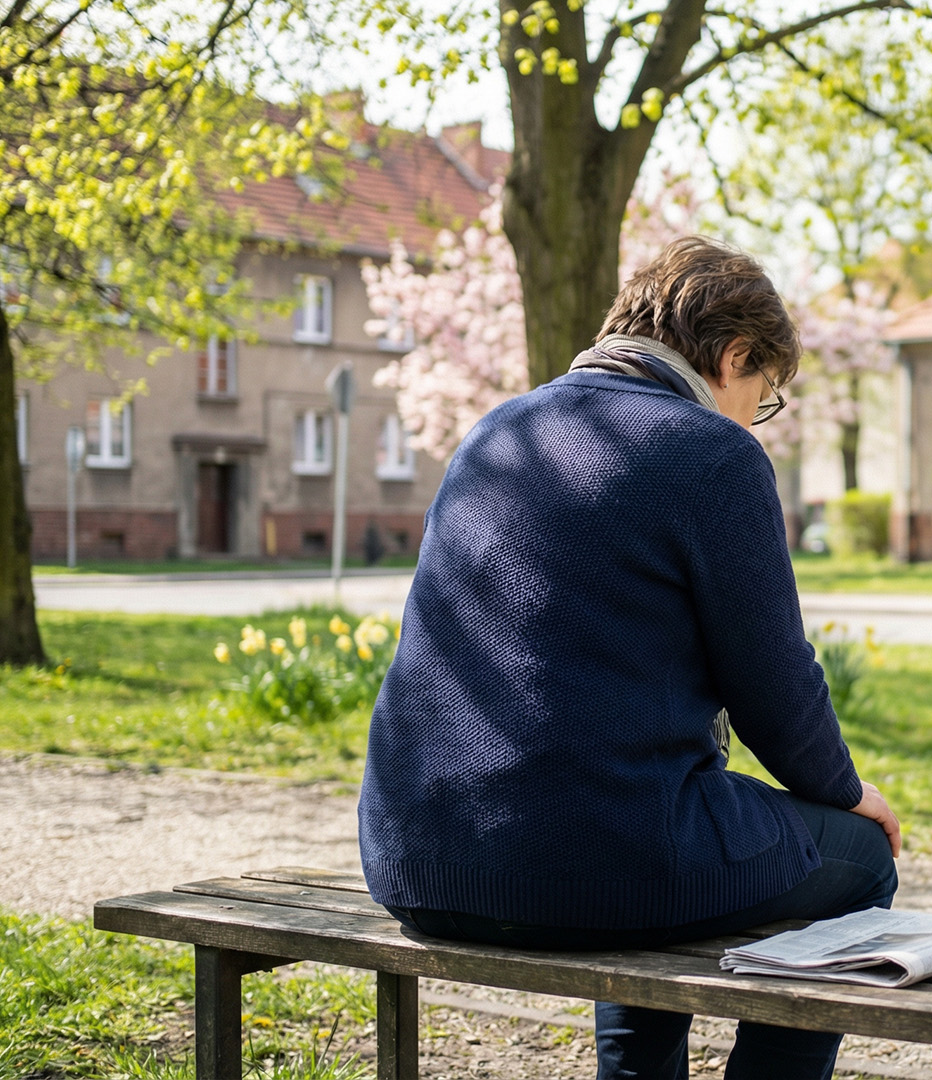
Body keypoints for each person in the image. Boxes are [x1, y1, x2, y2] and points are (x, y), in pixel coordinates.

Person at [358, 237, 902, 1080]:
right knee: (859, 863)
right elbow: (773, 686)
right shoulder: (712, 456)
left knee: (644, 812)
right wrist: (846, 794)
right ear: (731, 357)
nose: (755, 418)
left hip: (416, 856)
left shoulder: (499, 432)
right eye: (762, 397)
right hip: (574, 869)